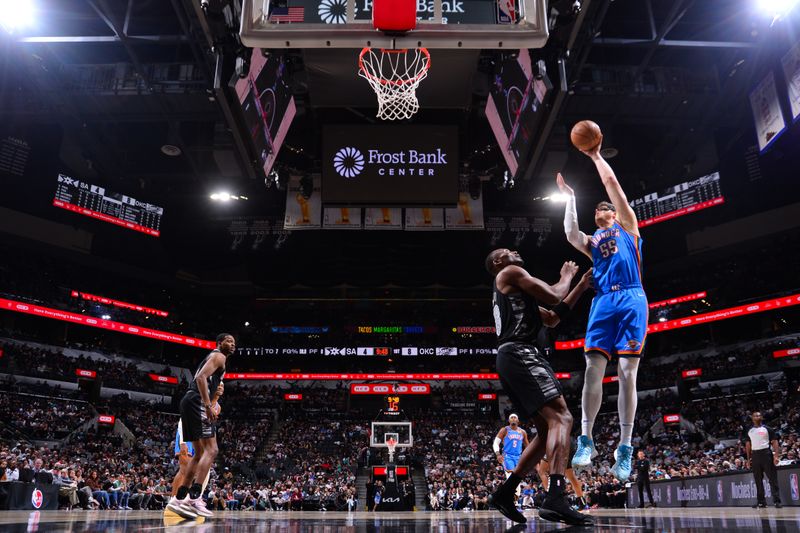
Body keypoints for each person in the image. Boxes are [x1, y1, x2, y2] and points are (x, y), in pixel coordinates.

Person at [557, 140, 649, 482]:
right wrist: (570, 198)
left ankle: (624, 446)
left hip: (631, 298)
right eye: (596, 209)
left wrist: (595, 156)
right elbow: (569, 233)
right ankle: (587, 440)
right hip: (603, 302)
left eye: (604, 207)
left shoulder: (628, 229)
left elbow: (613, 188)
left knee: (627, 372)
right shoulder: (593, 242)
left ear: (615, 213)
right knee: (592, 370)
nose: (600, 209)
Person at [485, 248, 594, 526]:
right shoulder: (510, 272)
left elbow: (553, 317)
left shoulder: (516, 293)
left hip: (510, 357)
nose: (515, 251)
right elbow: (555, 294)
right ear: (498, 262)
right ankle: (556, 497)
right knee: (562, 417)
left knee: (546, 429)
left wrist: (581, 286)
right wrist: (567, 275)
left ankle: (505, 493)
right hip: (521, 352)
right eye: (507, 251)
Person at [169, 333, 236, 519]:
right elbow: (200, 378)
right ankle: (194, 497)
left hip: (189, 401)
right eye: (228, 341)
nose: (232, 344)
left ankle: (179, 498)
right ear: (219, 343)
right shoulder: (218, 356)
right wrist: (208, 405)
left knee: (199, 453)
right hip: (197, 403)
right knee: (212, 449)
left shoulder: (216, 359)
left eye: (234, 342)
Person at [166, 381, 224, 519]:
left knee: (202, 470)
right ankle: (173, 501)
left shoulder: (217, 406)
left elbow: (209, 423)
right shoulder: (202, 398)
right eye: (219, 384)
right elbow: (183, 419)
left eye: (223, 385)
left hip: (201, 434)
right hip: (187, 432)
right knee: (184, 468)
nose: (221, 386)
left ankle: (189, 501)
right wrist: (183, 442)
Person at [744, 411, 783, 508]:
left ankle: (777, 501)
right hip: (755, 455)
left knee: (772, 478)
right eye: (755, 415)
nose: (757, 416)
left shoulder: (767, 429)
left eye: (759, 415)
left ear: (762, 417)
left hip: (766, 454)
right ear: (752, 418)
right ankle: (761, 501)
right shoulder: (749, 430)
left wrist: (776, 456)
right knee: (758, 480)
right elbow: (748, 445)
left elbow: (774, 442)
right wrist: (748, 459)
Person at [536, 441, 588, 510]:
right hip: (571, 443)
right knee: (571, 476)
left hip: (557, 441)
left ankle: (550, 499)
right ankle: (581, 501)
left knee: (542, 471)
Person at [494, 414, 529, 485]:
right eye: (511, 418)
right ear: (509, 420)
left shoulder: (523, 432)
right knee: (511, 477)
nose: (513, 419)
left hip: (519, 457)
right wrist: (498, 454)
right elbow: (495, 443)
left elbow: (528, 446)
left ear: (518, 420)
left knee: (517, 479)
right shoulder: (504, 430)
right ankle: (512, 494)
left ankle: (514, 494)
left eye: (515, 417)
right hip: (507, 456)